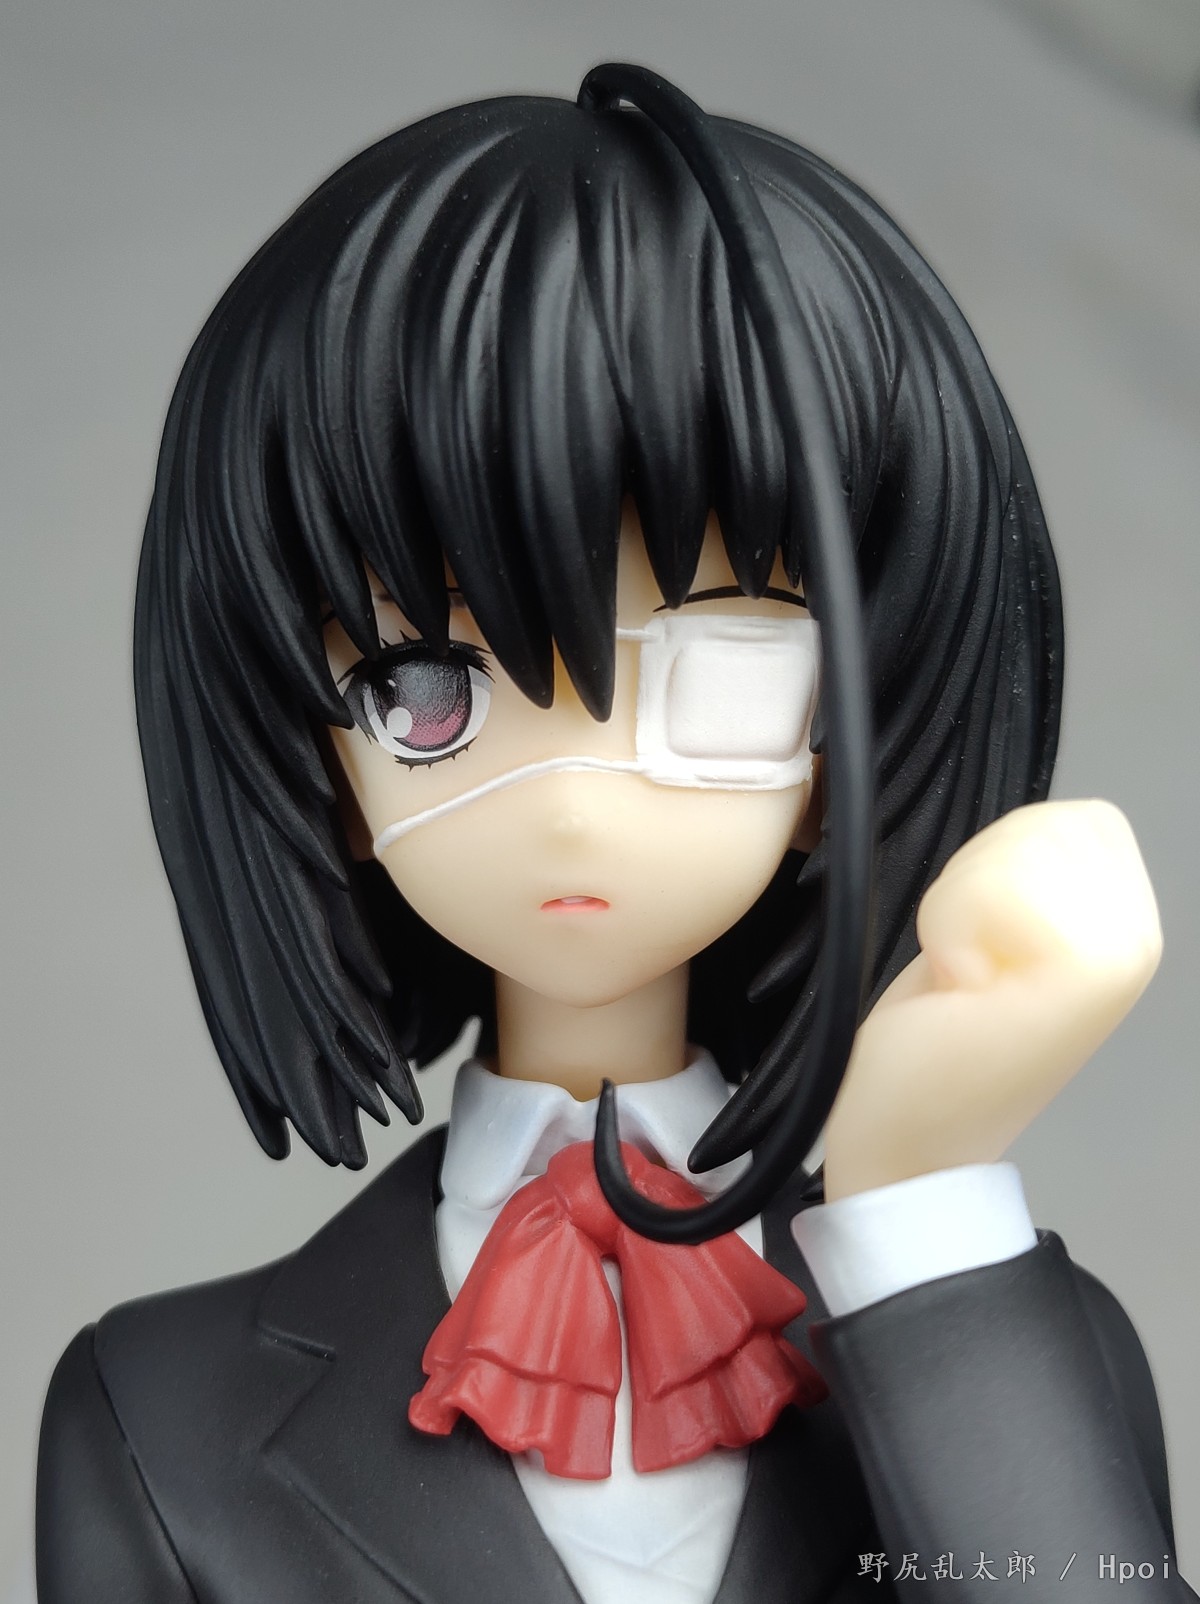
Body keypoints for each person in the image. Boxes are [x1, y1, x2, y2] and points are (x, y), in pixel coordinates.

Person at [35, 66, 1192, 1602]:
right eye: (427, 692)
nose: (575, 798)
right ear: (321, 765)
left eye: (726, 676)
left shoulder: (1011, 1340)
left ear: (841, 742)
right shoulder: (154, 1418)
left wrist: (916, 1196)